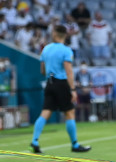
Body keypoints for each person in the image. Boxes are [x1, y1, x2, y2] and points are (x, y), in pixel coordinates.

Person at [31, 24, 91, 154]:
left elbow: (42, 70)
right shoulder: (66, 50)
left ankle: (35, 140)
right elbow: (69, 71)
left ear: (54, 34)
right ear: (65, 35)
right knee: (69, 113)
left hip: (49, 82)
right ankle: (75, 144)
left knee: (45, 112)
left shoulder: (46, 49)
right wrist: (73, 89)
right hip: (61, 82)